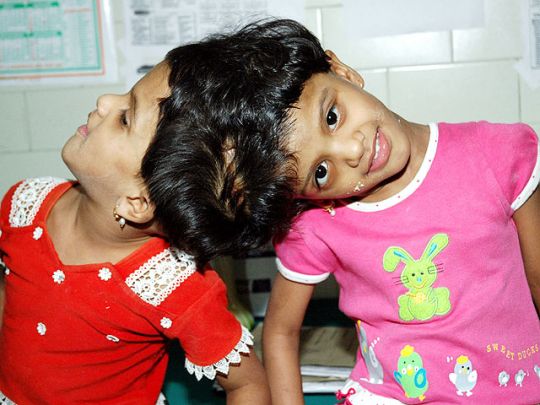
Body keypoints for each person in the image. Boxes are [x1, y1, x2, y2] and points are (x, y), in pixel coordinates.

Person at [182, 19, 540, 404]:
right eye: (321, 172)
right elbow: (281, 331)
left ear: (341, 71)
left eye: (332, 117)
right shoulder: (317, 222)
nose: (352, 151)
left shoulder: (498, 152)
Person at [0, 32, 297, 403]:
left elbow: (248, 385)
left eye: (125, 118)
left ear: (136, 202)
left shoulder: (172, 286)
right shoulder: (23, 205)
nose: (104, 101)